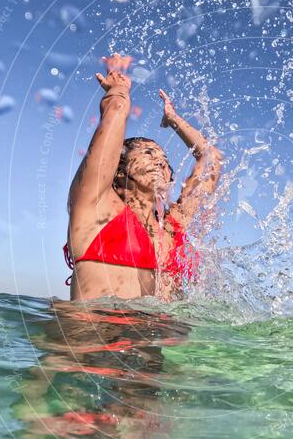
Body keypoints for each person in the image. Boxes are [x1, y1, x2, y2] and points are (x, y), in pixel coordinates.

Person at [63, 55, 223, 301]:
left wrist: (174, 121)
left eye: (164, 159)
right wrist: (118, 90)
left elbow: (212, 159)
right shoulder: (94, 206)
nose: (159, 161)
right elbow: (116, 111)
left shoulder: (173, 225)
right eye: (148, 153)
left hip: (167, 338)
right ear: (119, 169)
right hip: (96, 336)